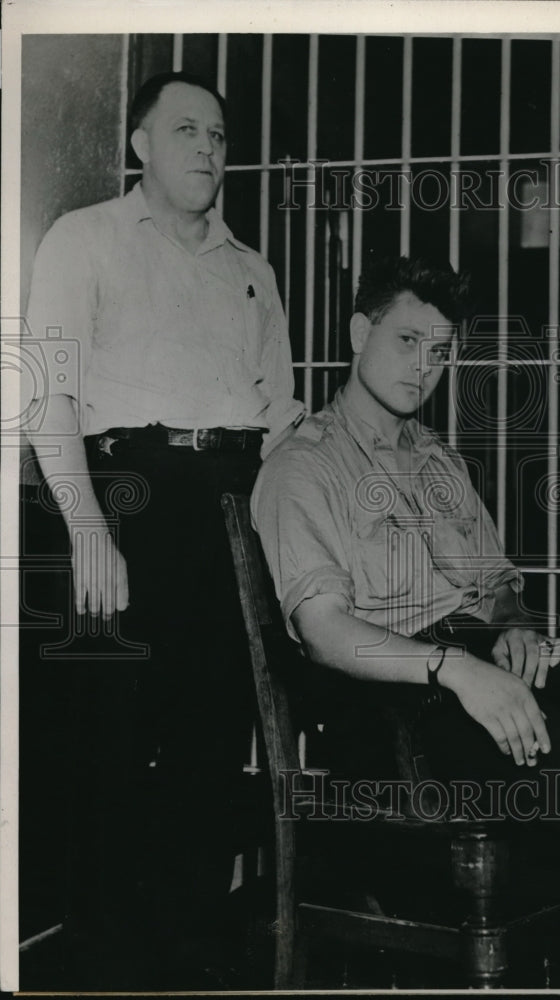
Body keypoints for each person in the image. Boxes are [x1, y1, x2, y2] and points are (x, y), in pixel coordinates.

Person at [251, 256, 560, 986]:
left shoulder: (442, 463)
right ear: (357, 332)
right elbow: (324, 630)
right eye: (407, 342)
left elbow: (498, 588)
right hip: (394, 696)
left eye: (440, 352)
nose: (424, 367)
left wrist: (516, 625)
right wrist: (457, 669)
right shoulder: (302, 467)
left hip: (473, 659)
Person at [24, 71, 303, 985]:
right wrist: (87, 524)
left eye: (219, 133)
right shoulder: (85, 240)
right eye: (184, 129)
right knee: (108, 738)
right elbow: (46, 393)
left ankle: (190, 949)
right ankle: (99, 958)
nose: (207, 147)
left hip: (231, 504)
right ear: (138, 144)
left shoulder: (252, 270)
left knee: (211, 735)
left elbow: (281, 419)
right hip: (128, 496)